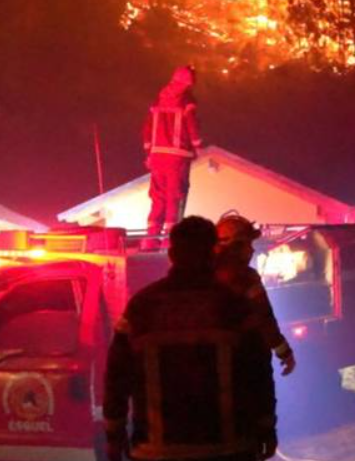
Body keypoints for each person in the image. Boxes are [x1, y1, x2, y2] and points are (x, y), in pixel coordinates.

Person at [103, 216, 278, 461]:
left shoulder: (141, 307)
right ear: (212, 253)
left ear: (172, 254)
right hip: (227, 449)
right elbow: (258, 372)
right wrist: (266, 426)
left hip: (156, 451)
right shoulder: (234, 306)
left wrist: (114, 433)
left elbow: (117, 375)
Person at [214, 212, 296, 376]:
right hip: (245, 359)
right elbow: (264, 316)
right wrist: (284, 352)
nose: (251, 249)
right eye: (247, 244)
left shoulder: (202, 274)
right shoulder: (246, 277)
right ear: (234, 246)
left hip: (211, 364)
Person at [142, 65, 202, 246]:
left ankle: (150, 241)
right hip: (178, 157)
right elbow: (191, 125)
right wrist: (197, 146)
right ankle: (169, 241)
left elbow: (147, 128)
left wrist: (149, 152)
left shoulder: (158, 100)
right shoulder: (186, 100)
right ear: (188, 82)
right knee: (174, 197)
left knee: (158, 198)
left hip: (157, 157)